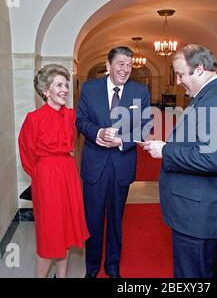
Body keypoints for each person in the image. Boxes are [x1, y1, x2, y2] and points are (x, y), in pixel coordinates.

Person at [140, 44, 217, 278]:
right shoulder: (206, 96)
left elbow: (210, 158)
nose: (177, 81)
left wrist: (166, 150)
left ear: (199, 69)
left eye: (180, 74)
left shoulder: (216, 100)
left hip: (199, 213)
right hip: (197, 208)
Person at [76, 46, 151, 278]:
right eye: (120, 64)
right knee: (93, 219)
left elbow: (146, 125)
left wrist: (121, 140)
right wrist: (98, 133)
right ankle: (91, 268)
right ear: (108, 66)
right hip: (94, 165)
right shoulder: (90, 88)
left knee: (116, 220)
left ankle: (112, 267)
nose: (125, 69)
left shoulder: (140, 91)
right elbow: (81, 120)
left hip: (122, 163)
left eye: (129, 65)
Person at [18, 64, 89, 278]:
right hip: (47, 177)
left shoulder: (70, 116)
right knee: (50, 234)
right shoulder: (34, 118)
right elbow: (27, 154)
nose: (65, 89)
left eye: (66, 85)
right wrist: (43, 175)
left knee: (66, 231)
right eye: (59, 85)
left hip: (68, 174)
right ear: (45, 90)